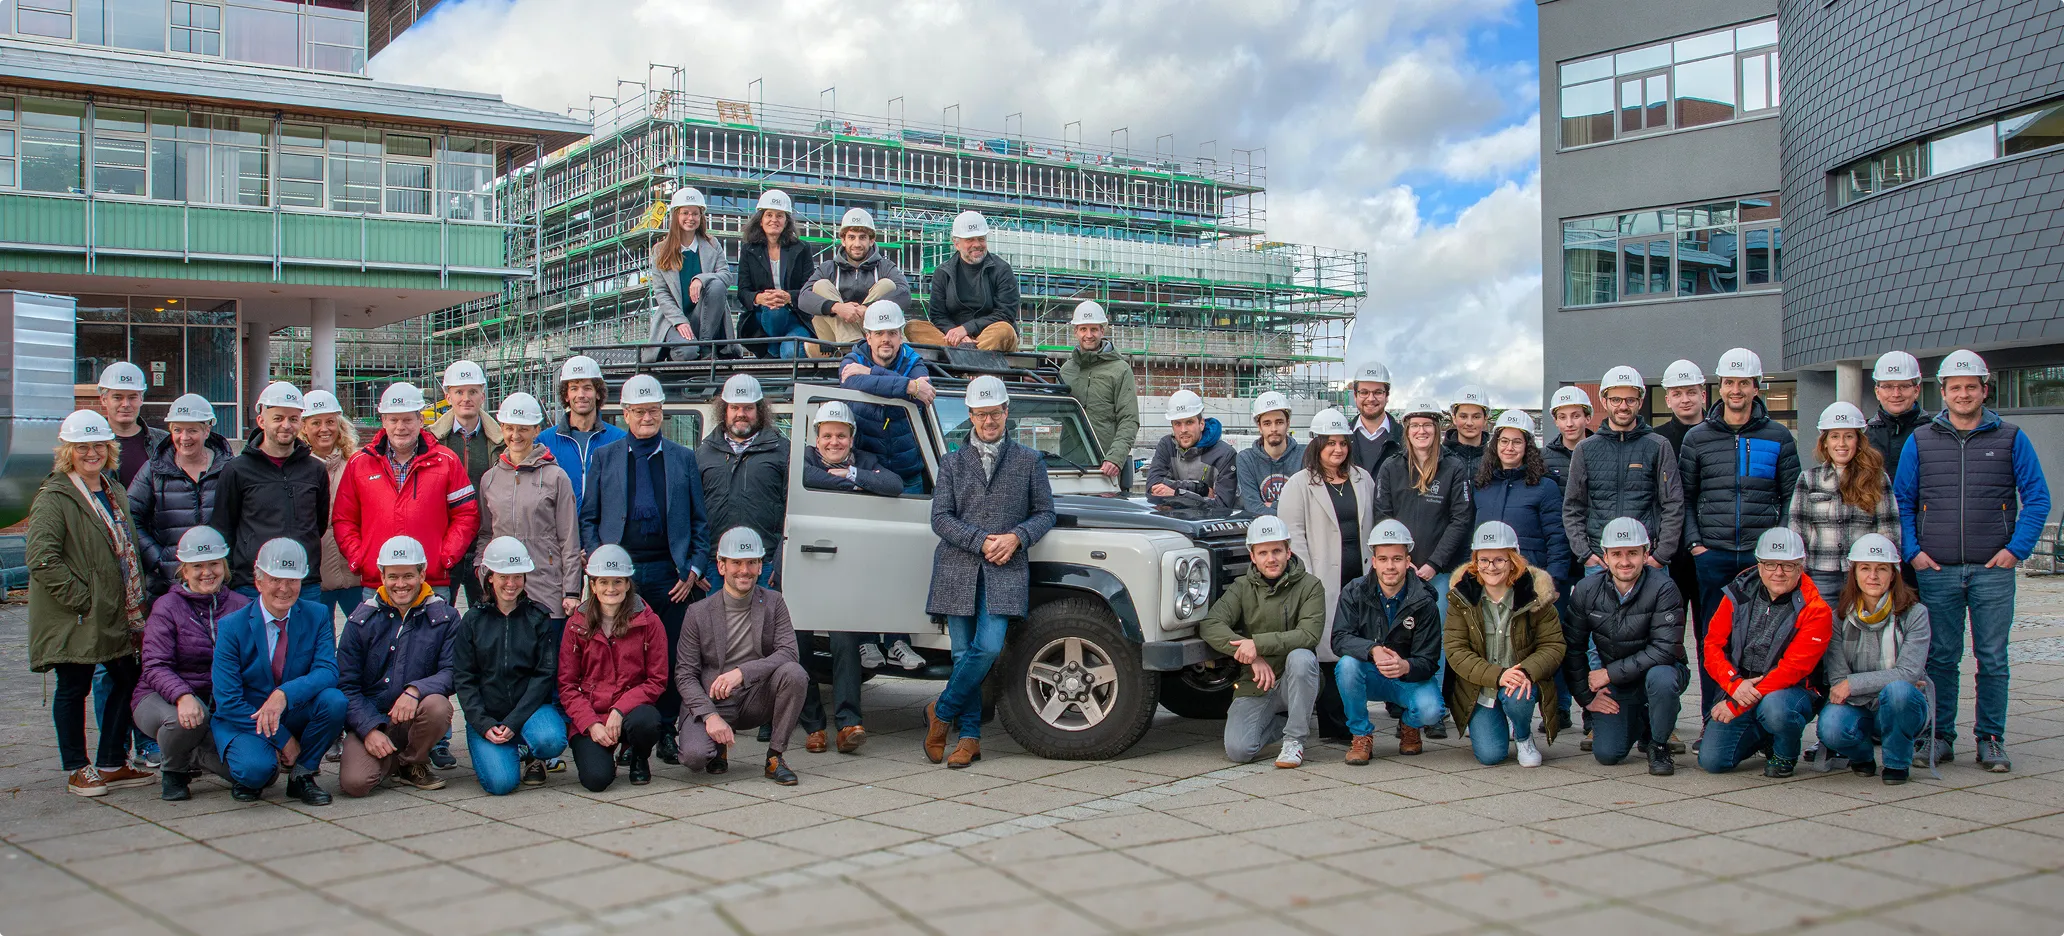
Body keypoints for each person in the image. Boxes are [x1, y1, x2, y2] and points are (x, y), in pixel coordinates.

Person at [1895, 349, 2049, 773]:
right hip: (1938, 570)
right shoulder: (1921, 440)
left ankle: (1991, 739)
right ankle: (1939, 736)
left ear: (1984, 389)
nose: (1963, 394)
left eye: (1971, 387)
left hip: (1992, 570)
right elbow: (1902, 501)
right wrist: (1914, 553)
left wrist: (2016, 550)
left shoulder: (2012, 438)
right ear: (1941, 392)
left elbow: (2037, 498)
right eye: (1955, 387)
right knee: (1941, 658)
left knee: (1993, 657)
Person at [923, 377, 1056, 768]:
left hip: (1006, 567)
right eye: (981, 414)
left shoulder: (1030, 461)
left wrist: (1017, 537)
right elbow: (940, 519)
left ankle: (940, 711)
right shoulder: (951, 462)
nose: (988, 420)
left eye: (994, 413)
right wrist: (981, 541)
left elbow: (1045, 513)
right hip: (958, 567)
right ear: (970, 416)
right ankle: (969, 738)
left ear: (1006, 412)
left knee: (988, 648)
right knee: (963, 652)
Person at [580, 374, 710, 765]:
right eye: (638, 411)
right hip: (622, 579)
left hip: (672, 578)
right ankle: (628, 734)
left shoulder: (684, 458)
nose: (646, 417)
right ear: (625, 414)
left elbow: (700, 524)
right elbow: (588, 519)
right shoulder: (605, 457)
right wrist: (597, 560)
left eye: (653, 410)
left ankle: (667, 731)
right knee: (623, 658)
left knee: (670, 657)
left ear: (662, 413)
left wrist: (694, 568)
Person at [28, 410, 156, 796]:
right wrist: (83, 599)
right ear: (68, 450)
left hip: (117, 611)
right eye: (82, 446)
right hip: (78, 615)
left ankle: (111, 762)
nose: (91, 453)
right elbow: (41, 558)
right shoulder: (55, 496)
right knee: (73, 686)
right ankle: (77, 767)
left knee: (127, 679)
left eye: (98, 445)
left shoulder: (112, 489)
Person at [1680, 349, 1801, 740]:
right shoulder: (1697, 438)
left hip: (1759, 558)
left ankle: (1760, 724)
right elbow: (1683, 497)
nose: (1736, 390)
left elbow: (1791, 496)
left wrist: (1776, 547)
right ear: (1720, 386)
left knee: (1765, 640)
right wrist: (1696, 543)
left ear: (1756, 387)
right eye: (1729, 383)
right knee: (1712, 641)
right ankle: (1712, 721)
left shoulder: (1778, 436)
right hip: (1712, 554)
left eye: (1743, 383)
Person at [797, 401, 904, 753]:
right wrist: (851, 486)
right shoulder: (805, 460)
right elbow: (804, 480)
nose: (834, 442)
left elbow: (893, 484)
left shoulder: (865, 463)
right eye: (827, 435)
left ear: (851, 437)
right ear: (816, 438)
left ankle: (848, 723)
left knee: (846, 644)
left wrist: (857, 476)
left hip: (844, 568)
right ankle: (812, 724)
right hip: (806, 564)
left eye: (841, 435)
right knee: (800, 648)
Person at [210, 538, 346, 805]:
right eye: (275, 580)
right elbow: (227, 702)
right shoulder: (231, 627)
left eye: (292, 580)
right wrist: (284, 740)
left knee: (334, 701)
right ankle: (252, 763)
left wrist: (284, 694)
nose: (284, 588)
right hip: (246, 716)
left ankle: (302, 776)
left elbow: (328, 670)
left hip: (290, 709)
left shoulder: (316, 615)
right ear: (258, 581)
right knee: (255, 771)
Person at [675, 528, 809, 784]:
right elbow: (684, 674)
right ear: (721, 565)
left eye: (751, 562)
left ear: (761, 566)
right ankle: (717, 746)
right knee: (694, 758)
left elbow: (789, 652)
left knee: (794, 674)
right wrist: (710, 716)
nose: (744, 570)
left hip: (755, 696)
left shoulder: (774, 602)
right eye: (736, 562)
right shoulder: (697, 612)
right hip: (713, 699)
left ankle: (775, 757)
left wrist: (742, 673)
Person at [1697, 527, 1830, 777]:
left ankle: (1785, 753)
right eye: (1770, 564)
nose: (1778, 572)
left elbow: (1793, 669)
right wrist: (1734, 684)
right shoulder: (1738, 592)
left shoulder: (1816, 609)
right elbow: (1712, 645)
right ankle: (1764, 735)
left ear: (1800, 566)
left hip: (1790, 691)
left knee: (1775, 710)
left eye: (1787, 565)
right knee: (1713, 761)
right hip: (1741, 684)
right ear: (1759, 565)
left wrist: (1737, 703)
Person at [1561, 518, 1688, 776]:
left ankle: (1659, 743)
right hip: (1621, 684)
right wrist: (1586, 697)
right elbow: (1572, 648)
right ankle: (1644, 722)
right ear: (1604, 556)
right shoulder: (1586, 589)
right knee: (1608, 754)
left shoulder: (1664, 588)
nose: (1625, 561)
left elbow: (1665, 649)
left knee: (1661, 679)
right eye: (1617, 554)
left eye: (1632, 553)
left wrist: (1608, 674)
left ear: (1646, 553)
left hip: (1661, 673)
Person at [333, 381, 481, 601]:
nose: (400, 427)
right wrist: (361, 558)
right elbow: (344, 519)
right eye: (393, 419)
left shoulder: (446, 461)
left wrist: (445, 557)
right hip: (378, 582)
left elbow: (466, 515)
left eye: (407, 419)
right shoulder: (360, 464)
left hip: (431, 582)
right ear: (383, 421)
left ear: (421, 420)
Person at [1276, 408, 1373, 742]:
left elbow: (1370, 528)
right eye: (1329, 443)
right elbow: (1293, 538)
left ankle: (1358, 718)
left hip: (1360, 578)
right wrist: (1309, 580)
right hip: (1321, 581)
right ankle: (1334, 725)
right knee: (1328, 649)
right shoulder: (1299, 485)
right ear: (1315, 445)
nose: (1337, 449)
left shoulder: (1363, 479)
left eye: (1343, 442)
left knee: (1355, 645)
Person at [336, 535, 459, 797]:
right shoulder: (360, 621)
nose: (400, 584)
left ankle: (412, 763)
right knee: (356, 784)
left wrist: (415, 690)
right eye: (393, 576)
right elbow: (346, 686)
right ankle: (390, 760)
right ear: (381, 576)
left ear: (422, 573)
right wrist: (369, 729)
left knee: (438, 706)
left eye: (408, 576)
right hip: (373, 718)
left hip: (416, 716)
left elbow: (453, 672)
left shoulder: (446, 617)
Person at [1197, 516, 1325, 767]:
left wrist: (1257, 644)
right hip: (1256, 682)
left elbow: (1309, 634)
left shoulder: (1310, 586)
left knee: (1302, 657)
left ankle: (1295, 740)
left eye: (1277, 550)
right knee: (1239, 750)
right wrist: (1253, 656)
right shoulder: (1241, 587)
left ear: (1289, 551)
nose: (1271, 559)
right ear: (1252, 556)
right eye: (1263, 552)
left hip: (1296, 680)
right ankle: (1291, 720)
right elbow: (1210, 624)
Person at [132, 527, 246, 800]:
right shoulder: (166, 607)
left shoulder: (242, 605)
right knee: (187, 721)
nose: (207, 572)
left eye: (214, 564)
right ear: (184, 571)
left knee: (252, 773)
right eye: (198, 566)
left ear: (224, 566)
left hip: (218, 705)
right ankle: (174, 771)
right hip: (161, 697)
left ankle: (193, 751)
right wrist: (183, 696)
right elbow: (155, 665)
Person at [1445, 522, 1565, 767]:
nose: (1491, 567)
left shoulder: (1536, 594)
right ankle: (1496, 721)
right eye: (1484, 560)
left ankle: (1522, 735)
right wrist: (1498, 676)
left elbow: (1553, 645)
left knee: (1517, 698)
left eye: (1499, 560)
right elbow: (1456, 650)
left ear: (1513, 560)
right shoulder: (1462, 596)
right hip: (1481, 686)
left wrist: (1524, 672)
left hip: (1520, 682)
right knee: (1491, 756)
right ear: (1475, 561)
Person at [454, 537, 566, 795]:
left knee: (550, 739)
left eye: (517, 576)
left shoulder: (538, 618)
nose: (511, 584)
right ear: (489, 577)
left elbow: (544, 675)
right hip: (488, 716)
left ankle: (532, 754)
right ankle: (511, 750)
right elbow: (464, 678)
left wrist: (515, 722)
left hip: (529, 712)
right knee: (501, 784)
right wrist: (482, 724)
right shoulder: (472, 621)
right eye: (503, 576)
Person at [1817, 534, 1931, 785]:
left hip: (1901, 707)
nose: (1873, 576)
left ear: (1894, 573)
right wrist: (1877, 684)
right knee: (1832, 726)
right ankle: (1861, 756)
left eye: (1882, 569)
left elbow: (1908, 674)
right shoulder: (1837, 617)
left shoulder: (1915, 614)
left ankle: (1897, 763)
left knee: (1899, 693)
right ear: (1854, 573)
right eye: (1865, 568)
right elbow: (1838, 681)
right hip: (1858, 707)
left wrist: (1855, 685)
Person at [1332, 520, 1445, 762]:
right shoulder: (1354, 591)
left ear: (1408, 561)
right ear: (1373, 562)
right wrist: (1372, 649)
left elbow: (1430, 659)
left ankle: (1409, 725)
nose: (1390, 566)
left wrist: (1407, 666)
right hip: (1370, 674)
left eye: (1396, 558)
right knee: (1347, 666)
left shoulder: (1424, 601)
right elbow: (1339, 638)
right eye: (1383, 559)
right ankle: (1361, 735)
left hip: (1406, 678)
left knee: (1431, 711)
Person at [559, 545, 669, 791]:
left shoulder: (649, 622)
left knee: (647, 721)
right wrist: (590, 724)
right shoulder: (576, 624)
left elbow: (657, 679)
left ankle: (638, 756)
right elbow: (567, 685)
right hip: (592, 713)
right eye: (604, 582)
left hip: (630, 710)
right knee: (596, 780)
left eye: (618, 581)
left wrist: (619, 711)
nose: (611, 589)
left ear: (628, 584)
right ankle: (605, 752)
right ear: (593, 585)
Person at [1562, 366, 1685, 578]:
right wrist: (1586, 554)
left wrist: (1661, 555)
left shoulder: (1658, 446)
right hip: (1600, 562)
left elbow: (1673, 503)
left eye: (1630, 400)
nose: (1623, 406)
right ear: (1604, 401)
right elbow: (1573, 506)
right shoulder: (1586, 449)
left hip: (1647, 560)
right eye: (1616, 400)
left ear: (1640, 401)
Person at [212, 381, 327, 601]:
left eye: (293, 419)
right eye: (278, 418)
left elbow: (318, 524)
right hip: (253, 584)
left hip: (304, 582)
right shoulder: (237, 470)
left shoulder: (315, 470)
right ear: (261, 421)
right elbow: (223, 527)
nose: (286, 425)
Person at [474, 392, 582, 624]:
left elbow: (569, 539)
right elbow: (485, 533)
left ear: (536, 430)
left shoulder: (556, 477)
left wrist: (571, 591)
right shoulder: (490, 479)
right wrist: (482, 571)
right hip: (504, 591)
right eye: (509, 428)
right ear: (501, 428)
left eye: (523, 428)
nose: (515, 435)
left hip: (546, 588)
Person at [1786, 402, 1899, 599]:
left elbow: (1889, 530)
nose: (1842, 444)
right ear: (1825, 442)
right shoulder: (1809, 479)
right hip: (1820, 574)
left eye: (1848, 436)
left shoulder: (1877, 478)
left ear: (1858, 440)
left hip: (1863, 574)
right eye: (1835, 436)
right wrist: (1798, 571)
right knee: (1823, 628)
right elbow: (1798, 531)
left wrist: (1886, 570)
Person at [128, 393, 233, 600]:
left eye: (192, 430)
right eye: (178, 430)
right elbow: (130, 517)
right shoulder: (153, 470)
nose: (184, 438)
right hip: (168, 585)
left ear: (207, 430)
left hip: (219, 584)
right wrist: (159, 559)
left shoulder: (229, 470)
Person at [696, 374, 790, 589]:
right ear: (724, 410)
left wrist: (780, 560)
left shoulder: (782, 451)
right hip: (716, 563)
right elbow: (693, 512)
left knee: (764, 622)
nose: (741, 414)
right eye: (735, 408)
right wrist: (697, 562)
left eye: (748, 408)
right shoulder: (704, 452)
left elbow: (791, 511)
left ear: (759, 410)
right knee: (717, 623)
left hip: (764, 564)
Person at [840, 301, 936, 493]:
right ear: (868, 337)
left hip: (908, 473)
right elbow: (851, 382)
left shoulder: (913, 361)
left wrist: (870, 372)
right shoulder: (853, 360)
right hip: (867, 474)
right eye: (879, 333)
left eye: (892, 333)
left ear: (901, 336)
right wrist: (908, 385)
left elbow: (924, 394)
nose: (886, 339)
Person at [430, 360, 503, 610]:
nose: (466, 398)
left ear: (483, 394)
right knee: (439, 616)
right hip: (444, 541)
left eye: (472, 391)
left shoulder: (500, 440)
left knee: (484, 616)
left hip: (485, 540)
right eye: (459, 392)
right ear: (447, 395)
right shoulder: (432, 441)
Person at [1472, 410, 1570, 585]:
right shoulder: (1481, 486)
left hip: (1530, 578)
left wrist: (1553, 580)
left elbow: (1557, 538)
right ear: (1495, 444)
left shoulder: (1545, 487)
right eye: (1504, 441)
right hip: (1486, 578)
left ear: (1527, 447)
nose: (1509, 448)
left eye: (1517, 442)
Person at [1655, 360, 1711, 661]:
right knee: (1668, 641)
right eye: (1677, 393)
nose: (1685, 399)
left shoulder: (1719, 435)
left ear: (1703, 394)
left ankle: (1711, 708)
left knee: (1711, 640)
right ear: (1668, 399)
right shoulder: (1657, 439)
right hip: (1670, 554)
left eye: (1691, 391)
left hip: (1709, 548)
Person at [800, 206, 912, 353]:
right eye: (852, 237)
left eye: (862, 237)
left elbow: (905, 294)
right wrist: (838, 308)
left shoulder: (885, 266)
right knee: (821, 286)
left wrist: (868, 309)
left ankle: (854, 345)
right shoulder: (828, 268)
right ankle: (852, 343)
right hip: (836, 336)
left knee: (887, 285)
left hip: (874, 333)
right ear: (843, 240)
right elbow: (803, 298)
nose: (857, 244)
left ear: (871, 240)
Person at [646, 186, 737, 361]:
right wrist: (680, 321)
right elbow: (662, 293)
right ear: (676, 216)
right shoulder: (660, 251)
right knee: (686, 353)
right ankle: (682, 348)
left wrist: (701, 279)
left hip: (705, 320)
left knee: (716, 284)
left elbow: (726, 276)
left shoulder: (712, 244)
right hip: (675, 319)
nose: (691, 218)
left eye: (695, 214)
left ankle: (705, 347)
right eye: (685, 213)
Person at [907, 210, 1020, 352]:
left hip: (989, 335)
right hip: (955, 338)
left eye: (981, 239)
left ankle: (960, 354)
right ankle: (970, 353)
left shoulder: (1002, 270)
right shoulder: (943, 272)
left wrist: (966, 329)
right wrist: (956, 334)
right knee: (913, 327)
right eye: (970, 240)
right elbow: (938, 315)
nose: (977, 244)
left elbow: (1005, 314)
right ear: (956, 243)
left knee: (1005, 331)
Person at [1059, 300, 1141, 490]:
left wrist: (1115, 458)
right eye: (1083, 329)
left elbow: (1129, 419)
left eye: (1094, 329)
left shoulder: (1120, 370)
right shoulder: (1067, 370)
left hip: (1105, 468)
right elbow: (1058, 413)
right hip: (1069, 467)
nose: (1089, 335)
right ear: (1076, 331)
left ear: (1102, 331)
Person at [299, 390, 365, 624]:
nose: (324, 429)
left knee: (365, 636)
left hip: (354, 571)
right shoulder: (297, 469)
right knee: (321, 640)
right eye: (316, 423)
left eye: (330, 422)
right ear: (304, 427)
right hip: (316, 575)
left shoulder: (357, 464)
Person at [735, 189, 819, 359]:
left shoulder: (802, 249)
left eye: (779, 215)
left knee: (790, 352)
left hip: (794, 316)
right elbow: (743, 292)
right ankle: (774, 345)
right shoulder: (749, 250)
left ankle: (773, 348)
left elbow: (809, 288)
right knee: (775, 311)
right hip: (763, 317)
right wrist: (760, 298)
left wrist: (788, 296)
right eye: (769, 215)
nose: (774, 220)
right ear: (760, 220)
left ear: (786, 221)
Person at [541, 355, 627, 506]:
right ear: (566, 395)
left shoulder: (619, 440)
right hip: (560, 529)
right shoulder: (545, 441)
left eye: (587, 388)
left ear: (598, 393)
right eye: (574, 388)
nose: (581, 395)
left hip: (603, 529)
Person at [1147, 390, 1238, 508]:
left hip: (1207, 524)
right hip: (1174, 523)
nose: (1183, 429)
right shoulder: (1167, 445)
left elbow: (1222, 506)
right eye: (1177, 424)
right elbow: (1152, 486)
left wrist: (1176, 493)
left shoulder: (1225, 455)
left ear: (1201, 424)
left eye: (1189, 422)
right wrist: (1201, 489)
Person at [97, 361, 165, 488]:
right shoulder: (91, 443)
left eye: (132, 397)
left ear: (141, 399)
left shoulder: (163, 442)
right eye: (117, 397)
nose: (126, 404)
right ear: (104, 399)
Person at [1237, 391, 1305, 516]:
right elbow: (1252, 508)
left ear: (1288, 423)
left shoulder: (1305, 455)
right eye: (1267, 423)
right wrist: (1290, 507)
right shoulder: (1246, 459)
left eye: (1279, 422)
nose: (1273, 429)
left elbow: (1307, 505)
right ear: (1259, 426)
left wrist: (1270, 505)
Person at [1866, 350, 1929, 481]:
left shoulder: (1935, 432)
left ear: (1916, 390)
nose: (1896, 394)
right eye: (1888, 386)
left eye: (1904, 386)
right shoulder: (1863, 435)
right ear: (1877, 392)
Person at [1347, 361, 1401, 474]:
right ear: (1355, 396)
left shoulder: (1404, 439)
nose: (1371, 398)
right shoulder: (1343, 438)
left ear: (1387, 396)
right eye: (1364, 392)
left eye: (1378, 392)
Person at [1442, 386, 1491, 477]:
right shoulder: (1440, 457)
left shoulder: (1495, 459)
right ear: (1454, 418)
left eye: (1476, 417)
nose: (1469, 423)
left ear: (1485, 419)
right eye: (1463, 416)